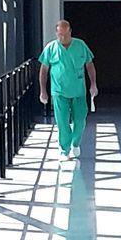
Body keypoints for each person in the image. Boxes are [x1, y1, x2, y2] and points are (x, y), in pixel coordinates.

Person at [38, 20, 98, 160]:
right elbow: (43, 71)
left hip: (78, 91)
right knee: (62, 122)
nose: (62, 38)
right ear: (56, 33)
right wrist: (43, 90)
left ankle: (75, 143)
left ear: (70, 31)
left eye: (65, 35)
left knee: (80, 120)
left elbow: (89, 65)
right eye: (60, 35)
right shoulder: (51, 48)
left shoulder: (80, 45)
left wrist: (93, 84)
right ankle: (64, 149)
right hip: (59, 92)